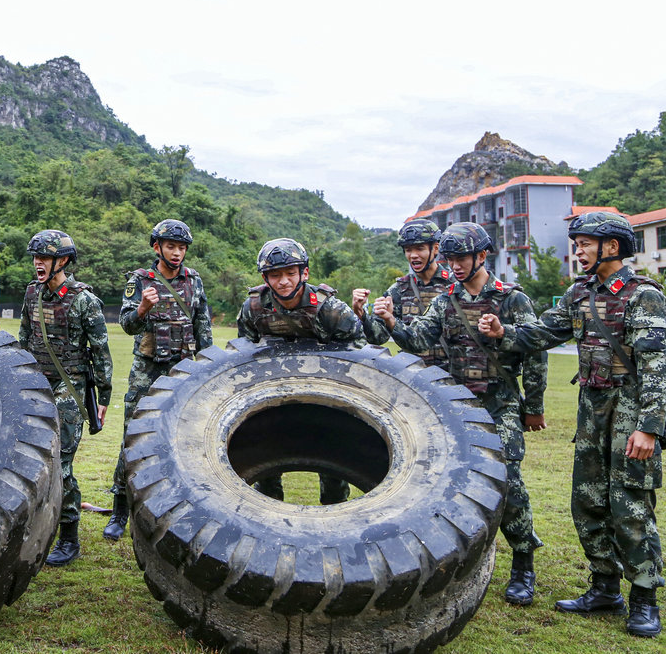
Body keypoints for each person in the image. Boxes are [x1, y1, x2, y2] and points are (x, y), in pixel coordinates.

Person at [480, 212, 666, 637]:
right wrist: (502, 332)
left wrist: (649, 428)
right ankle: (604, 588)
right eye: (578, 243)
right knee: (587, 501)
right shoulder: (579, 292)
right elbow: (542, 333)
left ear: (612, 246)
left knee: (631, 504)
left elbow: (658, 367)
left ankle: (644, 598)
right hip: (591, 407)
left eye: (586, 243)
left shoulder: (644, 296)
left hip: (630, 410)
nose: (578, 250)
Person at [374, 222, 545, 607]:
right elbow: (418, 340)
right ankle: (461, 557)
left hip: (500, 402)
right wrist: (390, 322)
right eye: (449, 258)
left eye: (460, 258)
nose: (453, 265)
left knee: (509, 482)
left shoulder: (511, 299)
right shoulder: (445, 299)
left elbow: (536, 352)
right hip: (459, 407)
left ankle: (523, 562)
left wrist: (533, 407)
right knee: (453, 484)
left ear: (482, 257)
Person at [104, 219, 211, 542]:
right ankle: (120, 511)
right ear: (157, 247)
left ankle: (179, 509)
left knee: (183, 439)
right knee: (132, 439)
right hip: (147, 370)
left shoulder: (194, 281)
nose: (177, 253)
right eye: (171, 247)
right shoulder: (140, 281)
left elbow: (202, 327)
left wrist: (206, 368)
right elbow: (126, 325)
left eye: (181, 248)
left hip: (182, 370)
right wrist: (142, 308)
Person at [237, 238, 363, 505]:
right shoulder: (254, 308)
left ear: (304, 273)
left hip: (325, 395)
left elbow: (359, 354)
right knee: (266, 460)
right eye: (275, 275)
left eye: (290, 273)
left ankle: (334, 514)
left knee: (331, 463)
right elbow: (243, 357)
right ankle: (269, 513)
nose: (283, 281)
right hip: (272, 396)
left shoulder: (329, 309)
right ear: (265, 278)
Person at [17, 230, 111, 567]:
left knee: (62, 464)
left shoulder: (84, 300)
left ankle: (69, 538)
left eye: (44, 258)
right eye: (35, 257)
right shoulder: (32, 295)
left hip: (70, 387)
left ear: (64, 261)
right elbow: (24, 342)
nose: (38, 264)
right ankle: (36, 523)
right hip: (38, 383)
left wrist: (104, 393)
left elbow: (100, 350)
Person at [352, 217, 454, 367]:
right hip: (413, 375)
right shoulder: (399, 289)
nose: (413, 255)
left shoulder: (454, 285)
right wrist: (361, 313)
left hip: (451, 374)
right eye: (408, 250)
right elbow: (378, 337)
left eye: (420, 248)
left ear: (436, 249)